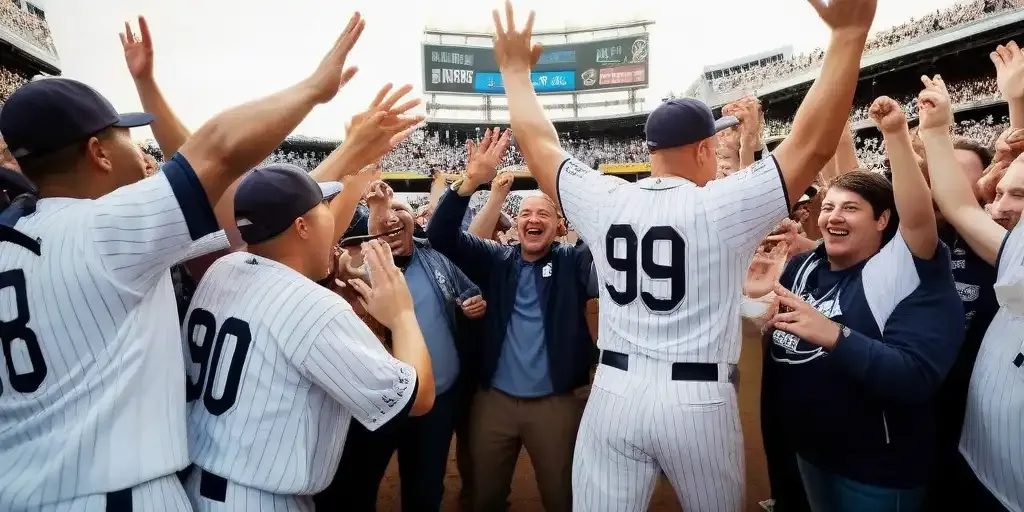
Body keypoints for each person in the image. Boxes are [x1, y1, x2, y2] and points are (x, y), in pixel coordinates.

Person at [490, 0, 877, 509]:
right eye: (712, 148)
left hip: (614, 391)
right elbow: (812, 144)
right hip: (697, 398)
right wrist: (848, 36)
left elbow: (538, 144)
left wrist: (516, 73)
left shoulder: (604, 196)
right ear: (700, 149)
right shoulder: (722, 203)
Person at [0, 10, 368, 510]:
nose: (139, 146)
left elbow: (269, 218)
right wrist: (312, 89)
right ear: (98, 153)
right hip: (114, 496)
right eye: (124, 133)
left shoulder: (20, 230)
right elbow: (216, 151)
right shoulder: (105, 232)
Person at [182, 165, 434, 512]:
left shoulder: (221, 271)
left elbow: (277, 293)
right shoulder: (317, 307)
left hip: (198, 487)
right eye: (325, 208)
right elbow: (418, 398)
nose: (333, 215)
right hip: (262, 501)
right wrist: (402, 314)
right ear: (302, 226)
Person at [763, 93, 964, 512]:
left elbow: (913, 379)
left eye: (851, 208)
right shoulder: (805, 265)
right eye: (830, 207)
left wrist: (894, 135)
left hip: (875, 469)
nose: (834, 216)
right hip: (811, 451)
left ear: (882, 220)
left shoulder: (896, 269)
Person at [427, 128, 598, 512]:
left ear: (558, 226)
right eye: (525, 213)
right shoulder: (495, 259)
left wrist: (576, 191)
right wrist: (470, 182)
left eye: (543, 214)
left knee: (562, 498)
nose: (533, 219)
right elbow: (440, 237)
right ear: (515, 224)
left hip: (556, 404)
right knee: (483, 498)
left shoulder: (572, 263)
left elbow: (604, 243)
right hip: (494, 404)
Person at [321, 180, 486, 512]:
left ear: (416, 223)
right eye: (385, 215)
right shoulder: (358, 262)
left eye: (402, 211)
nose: (393, 218)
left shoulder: (436, 257)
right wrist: (379, 211)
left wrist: (474, 303)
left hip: (438, 398)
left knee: (425, 488)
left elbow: (468, 291)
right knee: (358, 488)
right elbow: (349, 271)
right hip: (378, 403)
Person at [922, 73, 1024, 512]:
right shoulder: (1015, 250)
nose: (998, 205)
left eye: (1016, 194)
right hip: (978, 461)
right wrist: (933, 131)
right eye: (999, 192)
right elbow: (960, 205)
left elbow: (962, 203)